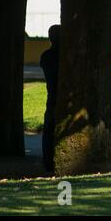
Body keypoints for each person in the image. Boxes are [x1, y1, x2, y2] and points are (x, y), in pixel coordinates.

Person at [40, 24, 61, 172]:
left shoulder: (46, 56)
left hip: (52, 96)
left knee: (49, 130)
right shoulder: (65, 56)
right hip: (58, 96)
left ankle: (48, 161)